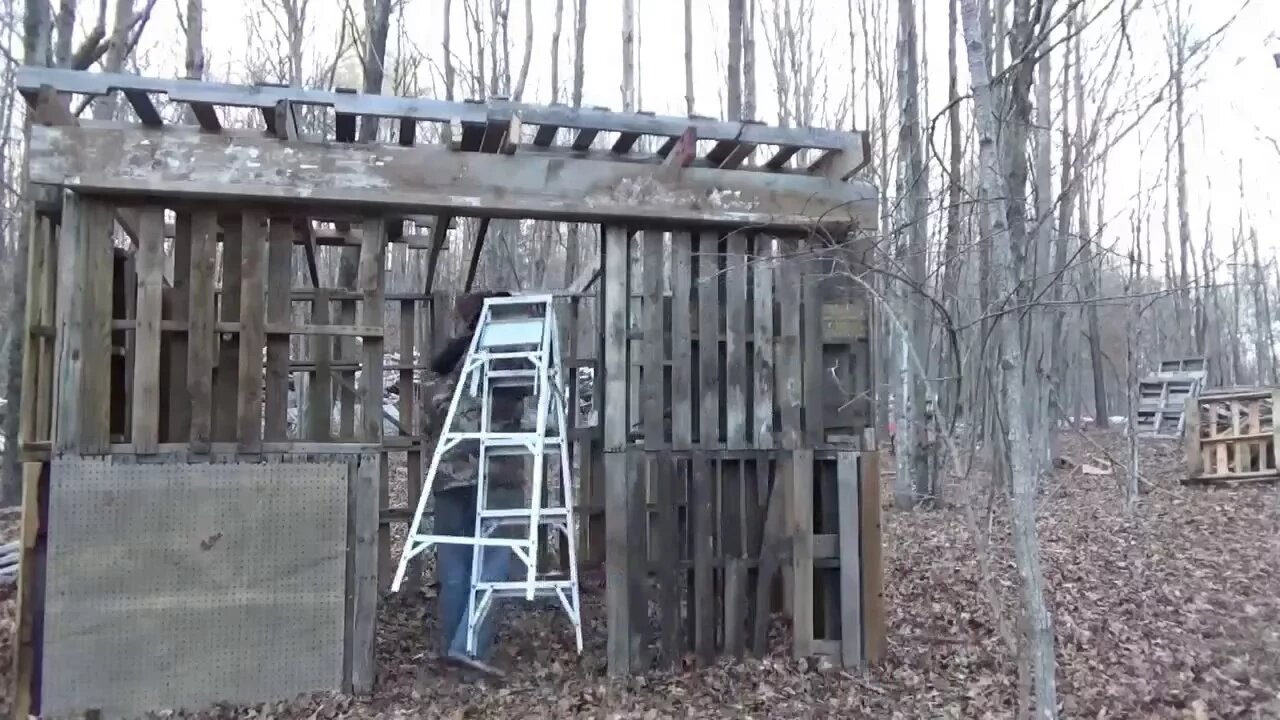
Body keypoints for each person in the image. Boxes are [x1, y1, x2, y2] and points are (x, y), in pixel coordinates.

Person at [421, 291, 527, 678]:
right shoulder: (515, 357)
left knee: (455, 566)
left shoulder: (450, 366)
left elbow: (430, 413)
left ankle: (455, 651)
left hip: (451, 474)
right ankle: (468, 648)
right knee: (492, 565)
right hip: (496, 477)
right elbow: (535, 416)